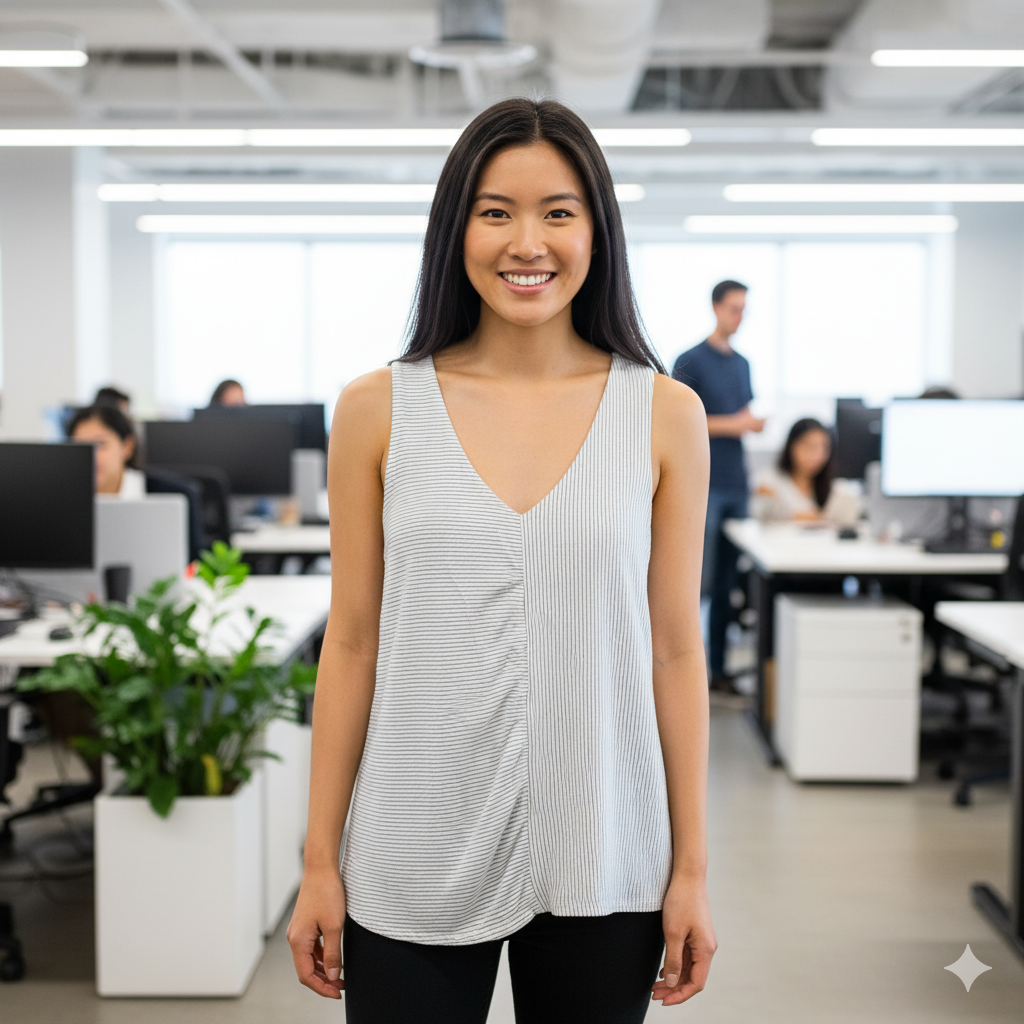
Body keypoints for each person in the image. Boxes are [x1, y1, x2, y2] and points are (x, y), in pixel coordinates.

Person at [286, 98, 716, 1024]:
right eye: (495, 212)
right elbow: (352, 643)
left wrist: (691, 868)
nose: (528, 242)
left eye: (558, 211)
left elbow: (676, 650)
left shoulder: (665, 413)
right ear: (457, 229)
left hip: (605, 847)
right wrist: (319, 859)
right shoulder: (375, 409)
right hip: (412, 843)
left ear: (597, 230)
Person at [672, 281, 764, 692]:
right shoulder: (690, 360)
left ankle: (720, 672)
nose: (739, 317)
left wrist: (749, 424)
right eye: (733, 309)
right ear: (715, 307)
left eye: (744, 309)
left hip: (736, 482)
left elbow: (742, 413)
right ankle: (683, 676)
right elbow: (680, 422)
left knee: (728, 584)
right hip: (703, 484)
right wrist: (736, 424)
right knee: (697, 583)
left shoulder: (742, 364)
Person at [753, 418, 837, 522]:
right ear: (791, 446)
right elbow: (761, 517)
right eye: (810, 447)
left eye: (823, 448)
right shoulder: (768, 481)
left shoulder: (833, 487)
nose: (818, 455)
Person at [66, 404, 145, 498]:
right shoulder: (60, 493)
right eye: (81, 446)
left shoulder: (156, 490)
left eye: (100, 444)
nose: (90, 455)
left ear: (128, 447)